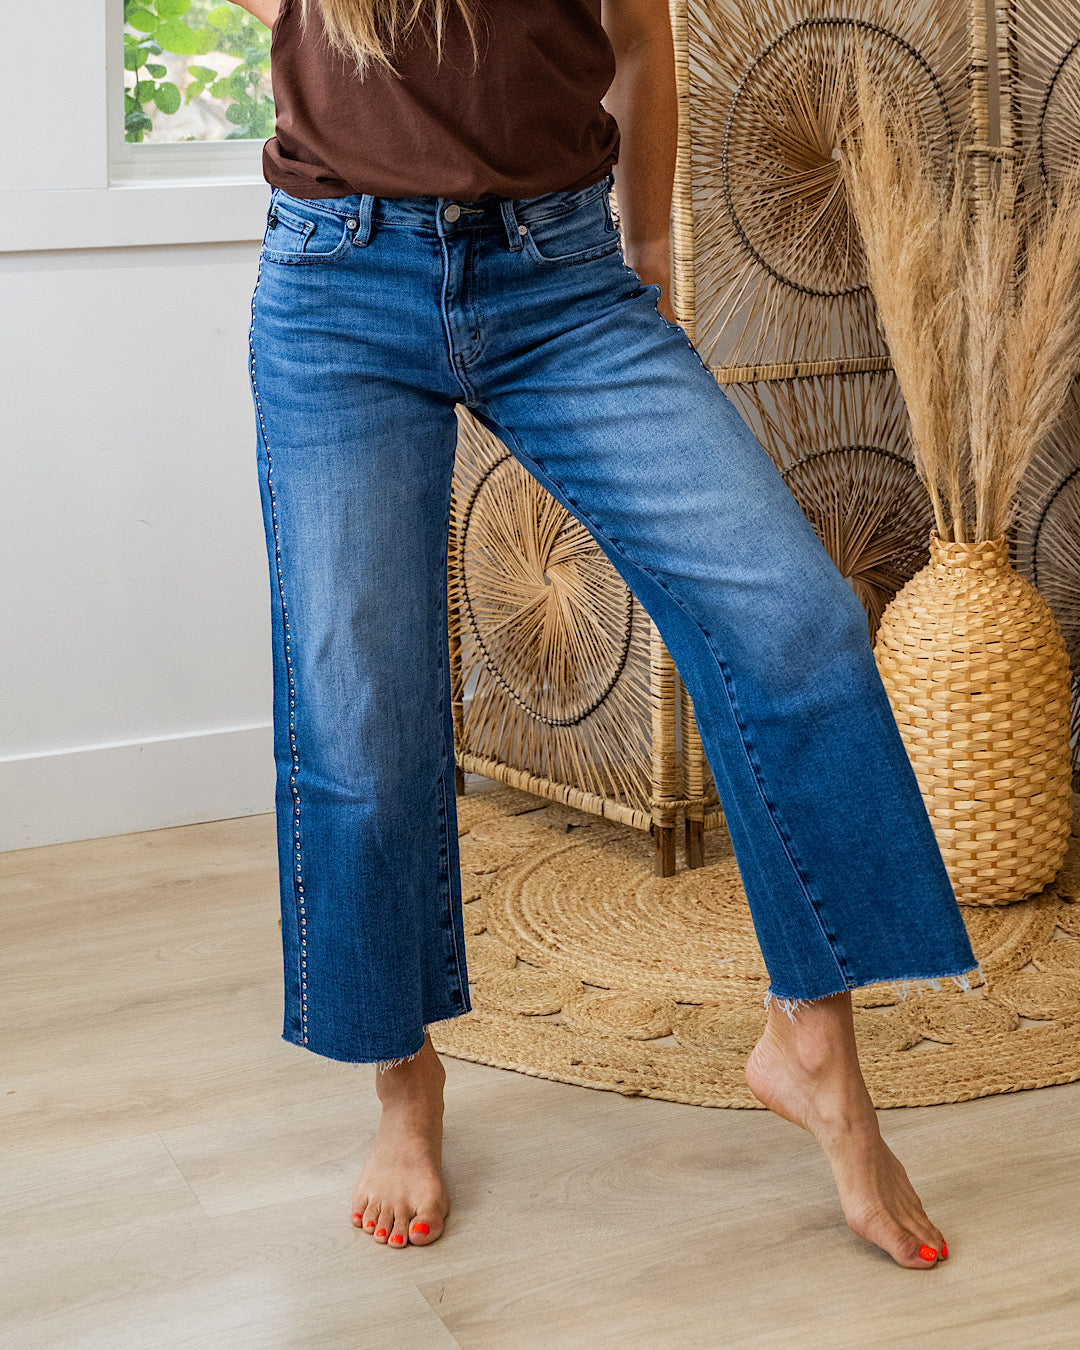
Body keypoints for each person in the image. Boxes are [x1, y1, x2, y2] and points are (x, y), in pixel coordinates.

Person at [235, 0, 978, 1268]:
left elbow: (636, 35)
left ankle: (814, 1056)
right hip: (337, 281)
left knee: (795, 622)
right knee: (361, 726)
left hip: (563, 281)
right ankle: (405, 1087)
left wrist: (644, 248)